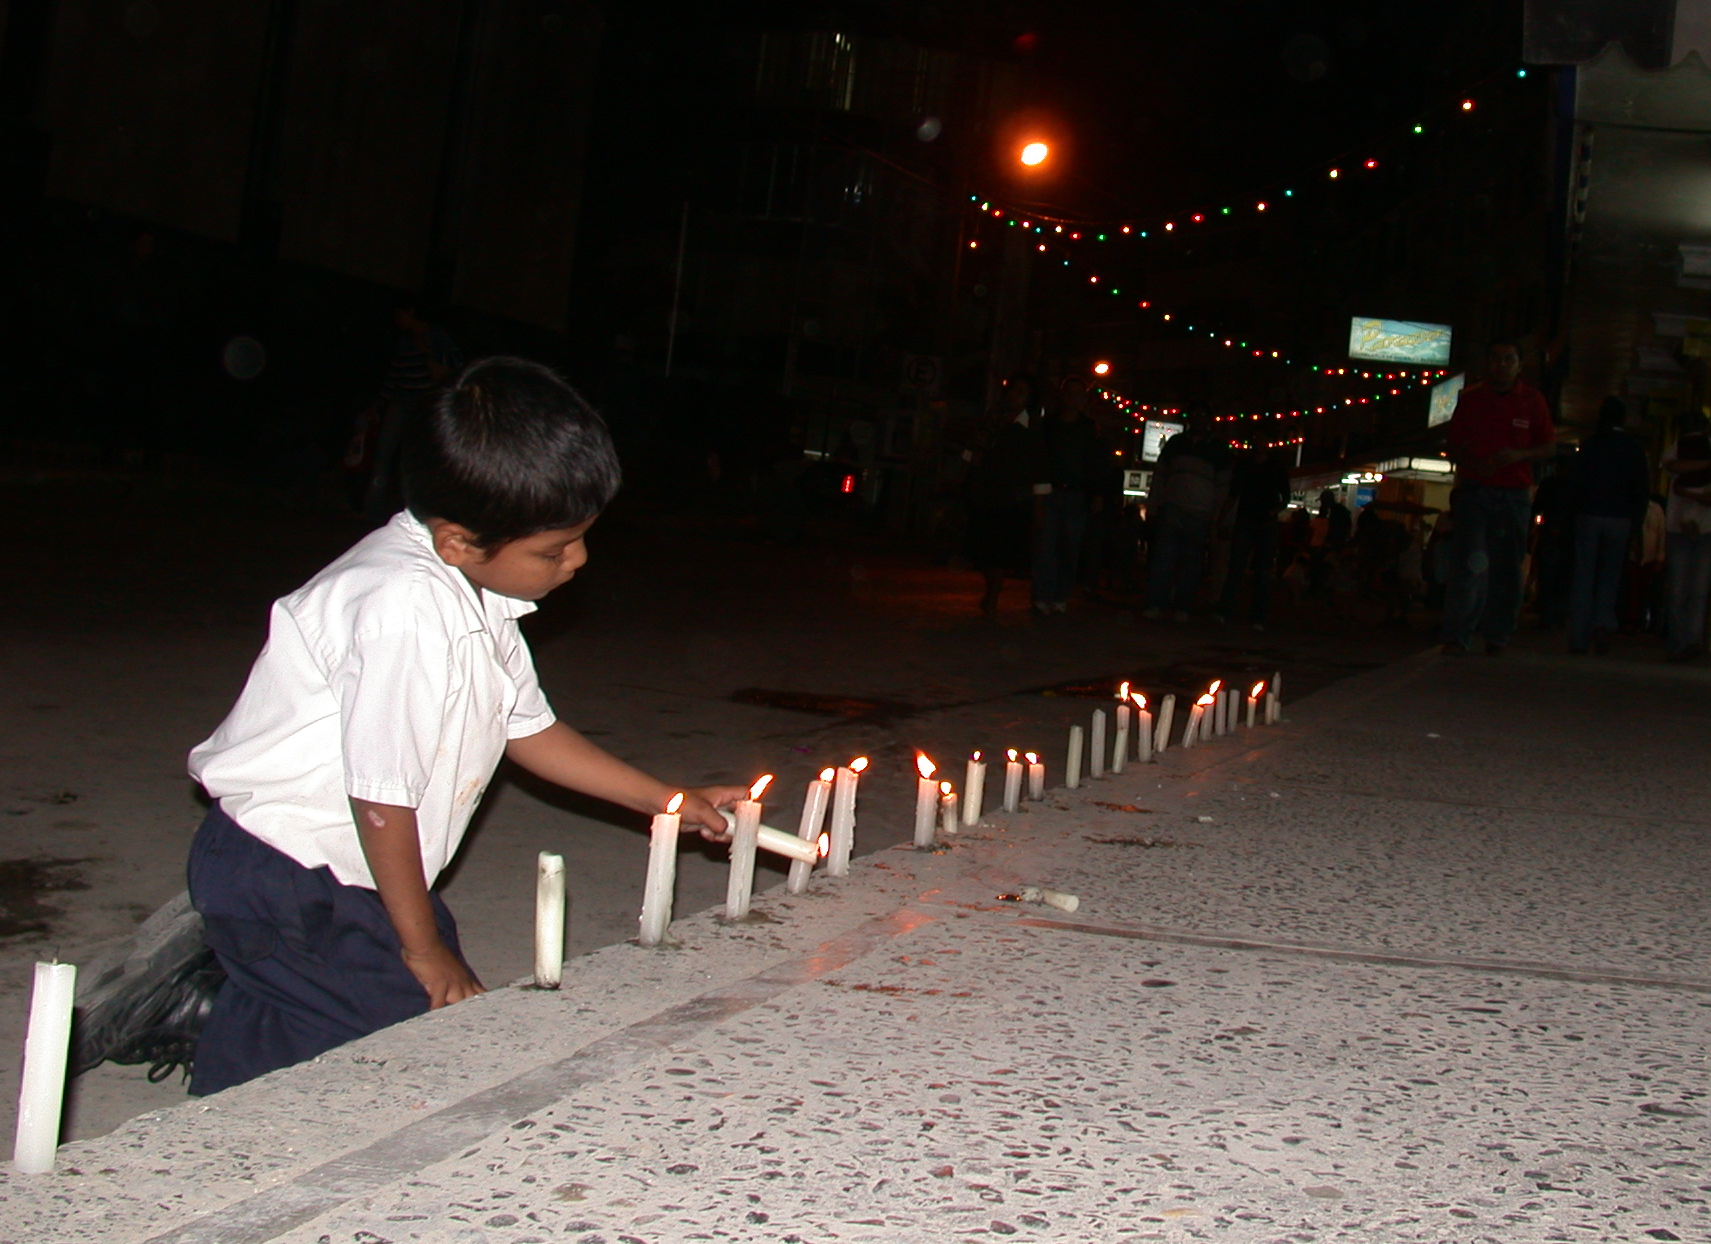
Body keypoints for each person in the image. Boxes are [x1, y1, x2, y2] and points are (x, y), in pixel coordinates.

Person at [184, 358, 745, 1095]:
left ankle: (228, 1049)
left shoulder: (474, 593)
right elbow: (381, 799)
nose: (577, 561)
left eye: (581, 537)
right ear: (456, 540)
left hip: (339, 870)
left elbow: (528, 729)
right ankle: (234, 1039)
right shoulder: (403, 611)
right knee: (413, 1019)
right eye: (553, 549)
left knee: (351, 1007)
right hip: (286, 873)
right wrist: (419, 951)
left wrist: (663, 799)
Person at [1438, 339, 1556, 655]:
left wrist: (1519, 455)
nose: (1501, 365)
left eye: (1508, 359)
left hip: (1514, 494)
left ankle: (1498, 634)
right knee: (1468, 564)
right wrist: (1474, 464)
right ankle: (1458, 634)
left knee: (1506, 565)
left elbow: (1548, 445)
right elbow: (1454, 444)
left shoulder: (1532, 401)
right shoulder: (1472, 399)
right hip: (1476, 491)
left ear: (1519, 365)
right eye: (1496, 359)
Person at [1566, 397, 1650, 655]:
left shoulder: (1591, 446)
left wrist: (1566, 517)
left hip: (1589, 515)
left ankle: (1579, 636)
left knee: (1584, 576)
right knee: (1610, 576)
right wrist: (1636, 526)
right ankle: (1602, 623)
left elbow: (1575, 484)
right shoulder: (1633, 449)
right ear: (1623, 419)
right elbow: (1641, 490)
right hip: (1620, 519)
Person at [1143, 404, 1230, 620]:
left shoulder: (1218, 449)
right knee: (1165, 558)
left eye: (1202, 415)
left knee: (1190, 562)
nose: (1198, 418)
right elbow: (1160, 476)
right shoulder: (1176, 443)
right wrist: (1154, 506)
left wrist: (1217, 516)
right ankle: (1157, 603)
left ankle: (1182, 606)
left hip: (1200, 512)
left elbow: (1223, 487)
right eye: (1195, 414)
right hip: (1173, 508)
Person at [1029, 376, 1106, 616]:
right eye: (1070, 392)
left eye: (1078, 394)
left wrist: (1097, 493)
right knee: (1046, 546)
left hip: (1076, 494)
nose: (1074, 398)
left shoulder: (1089, 428)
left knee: (1069, 548)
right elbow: (1039, 460)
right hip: (1051, 492)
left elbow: (1097, 463)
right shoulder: (1049, 426)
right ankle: (1042, 596)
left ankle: (1060, 596)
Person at [964, 374, 1039, 617]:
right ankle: (991, 589)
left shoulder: (1031, 426)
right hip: (987, 492)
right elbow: (970, 451)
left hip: (1014, 497)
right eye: (1013, 390)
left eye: (1021, 392)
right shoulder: (992, 419)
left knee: (1003, 550)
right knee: (984, 548)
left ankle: (994, 594)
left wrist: (1037, 497)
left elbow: (1038, 463)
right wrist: (976, 459)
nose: (1015, 396)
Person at [1215, 445, 1291, 629]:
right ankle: (1231, 612)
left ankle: (1255, 615)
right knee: (1240, 568)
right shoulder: (1245, 466)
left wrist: (1274, 511)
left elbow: (1285, 496)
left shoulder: (1273, 467)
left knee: (1259, 571)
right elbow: (1233, 494)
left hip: (1262, 521)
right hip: (1250, 519)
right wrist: (1222, 518)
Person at [1662, 411, 1711, 661]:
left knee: (1681, 589)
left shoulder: (1676, 448)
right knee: (1696, 590)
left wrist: (1685, 492)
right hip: (1703, 528)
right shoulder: (1696, 449)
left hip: (1681, 527)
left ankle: (1682, 642)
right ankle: (1688, 641)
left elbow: (1673, 468)